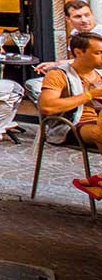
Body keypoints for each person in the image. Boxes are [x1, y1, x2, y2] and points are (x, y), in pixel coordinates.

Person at [39, 31, 102, 196]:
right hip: (73, 124)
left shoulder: (100, 75)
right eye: (98, 53)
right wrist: (90, 95)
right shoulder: (58, 74)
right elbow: (47, 107)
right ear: (78, 52)